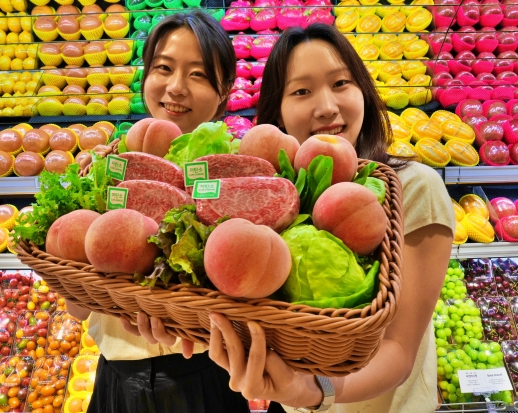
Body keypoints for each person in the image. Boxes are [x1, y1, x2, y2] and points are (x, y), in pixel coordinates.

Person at [131, 23, 455, 413]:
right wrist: (194, 324)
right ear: (278, 114)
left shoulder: (413, 187)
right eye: (301, 91)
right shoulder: (275, 203)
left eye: (340, 83)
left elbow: (399, 353)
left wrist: (313, 391)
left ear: (364, 90)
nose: (327, 107)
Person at [65, 11, 250, 413]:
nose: (176, 88)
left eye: (199, 75)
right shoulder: (107, 168)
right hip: (115, 377)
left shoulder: (239, 174)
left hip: (207, 377)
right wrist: (85, 210)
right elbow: (76, 306)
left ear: (225, 91)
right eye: (163, 68)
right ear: (146, 75)